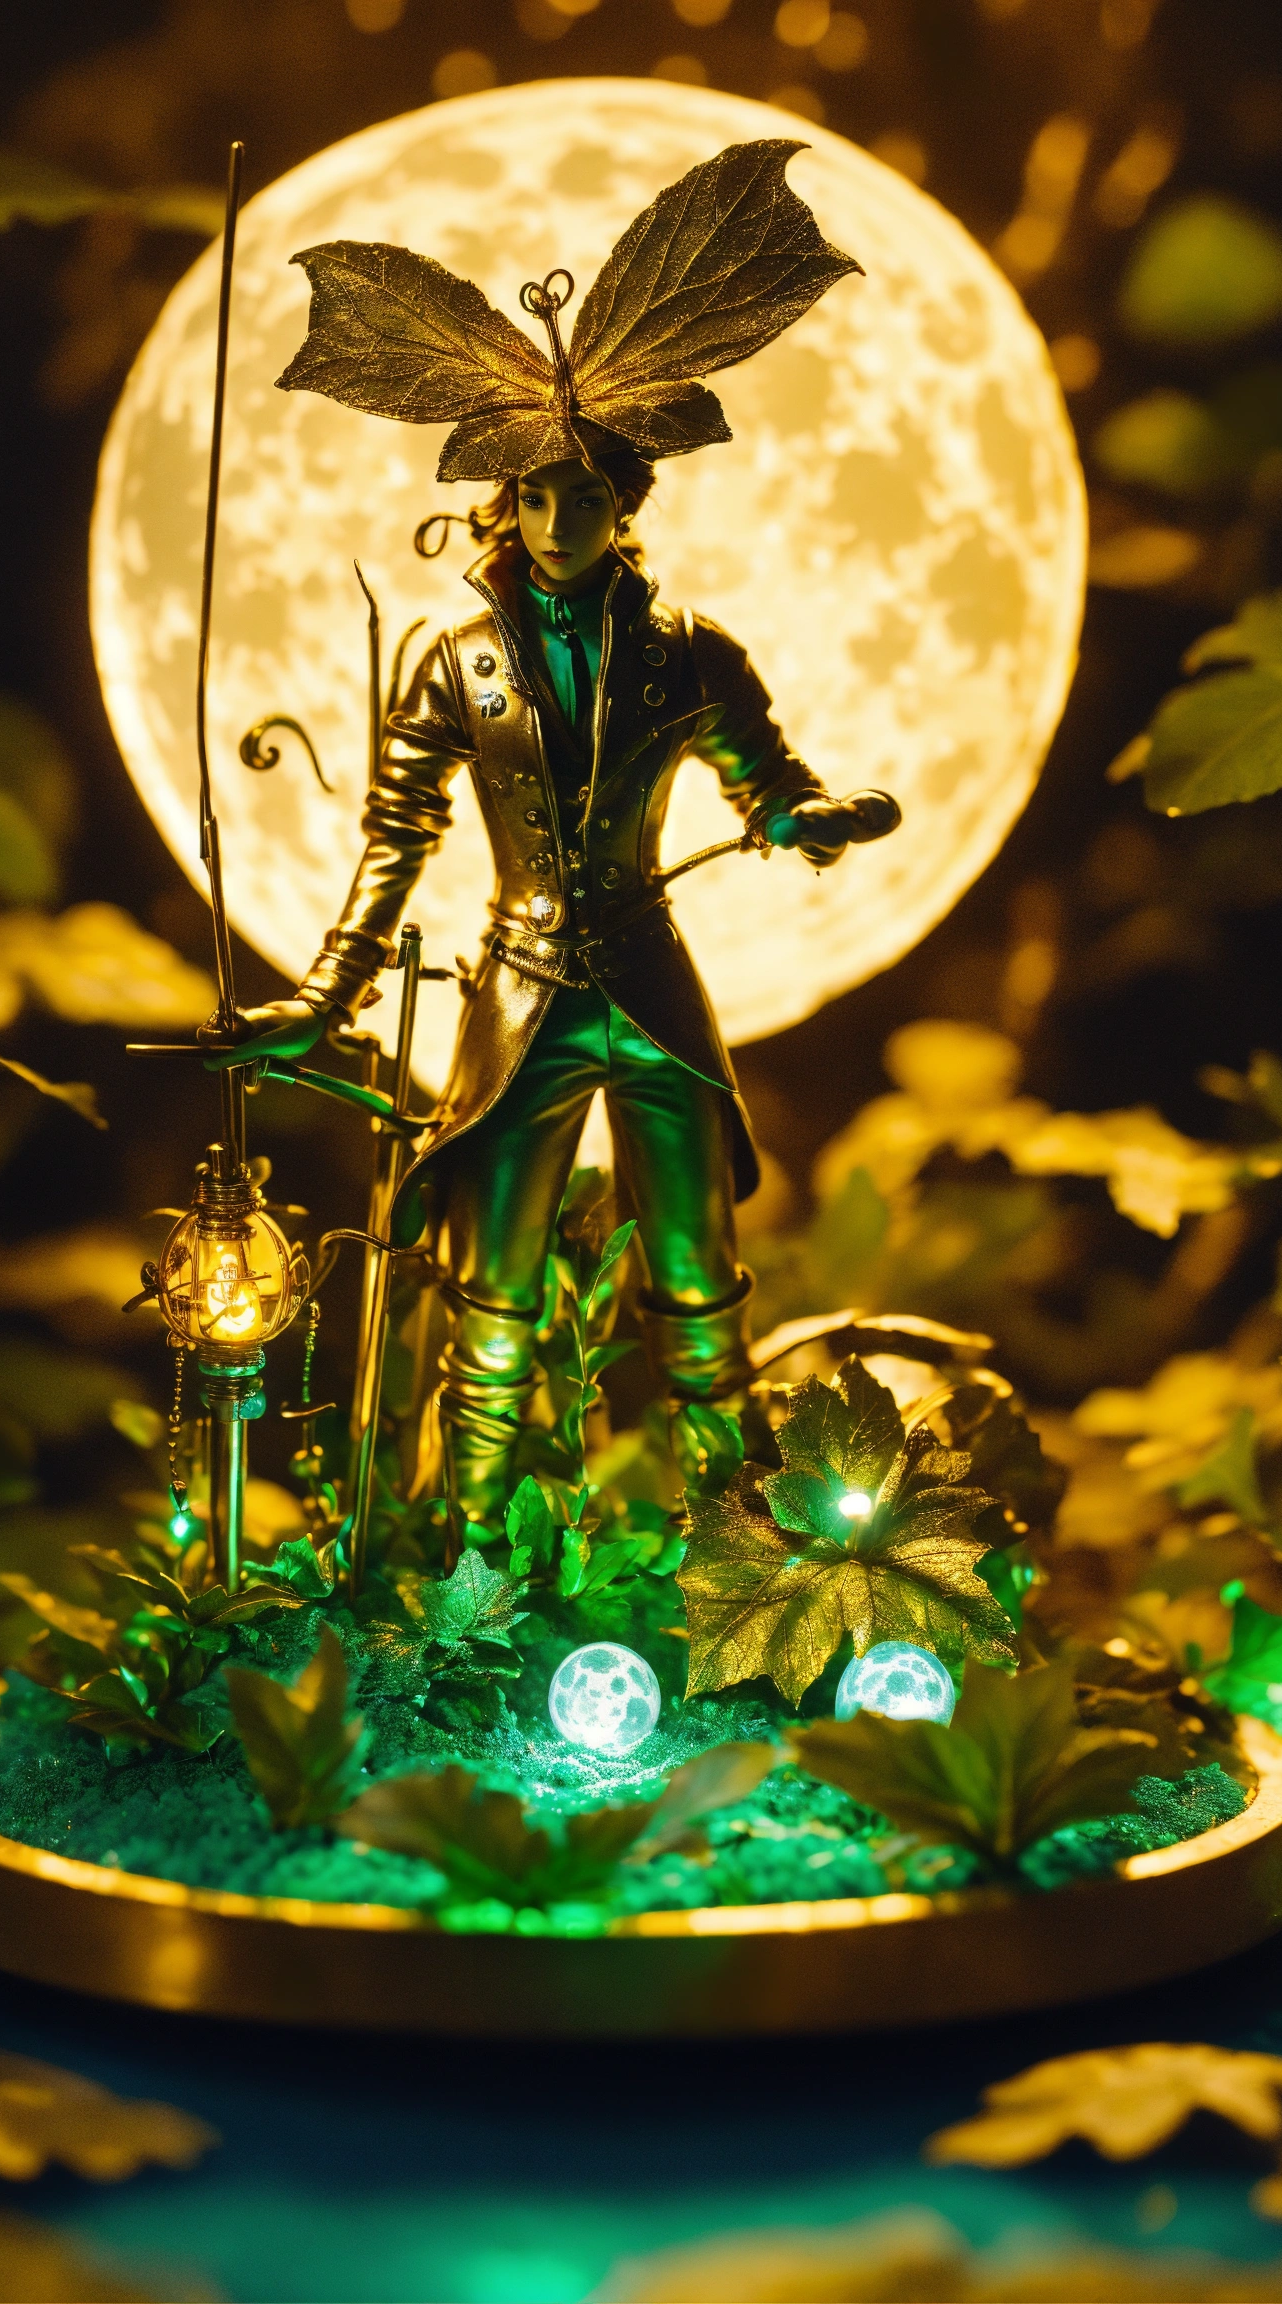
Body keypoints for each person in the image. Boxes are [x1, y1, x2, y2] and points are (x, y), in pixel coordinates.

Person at [210, 140, 900, 1538]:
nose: (559, 519)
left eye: (586, 496)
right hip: (518, 996)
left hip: (651, 984)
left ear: (626, 505)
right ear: (504, 504)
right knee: (494, 1301)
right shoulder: (457, 665)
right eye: (536, 495)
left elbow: (763, 781)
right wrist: (327, 999)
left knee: (698, 1293)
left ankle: (736, 1543)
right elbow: (395, 839)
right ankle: (460, 1560)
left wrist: (812, 818)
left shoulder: (690, 651)